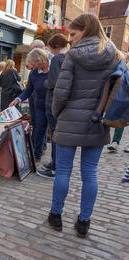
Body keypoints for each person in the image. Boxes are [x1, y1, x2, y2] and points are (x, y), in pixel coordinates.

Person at [47, 13, 123, 238]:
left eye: (73, 33)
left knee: (63, 171)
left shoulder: (73, 55)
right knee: (90, 173)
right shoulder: (115, 55)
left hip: (70, 118)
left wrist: (57, 114)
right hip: (97, 121)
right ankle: (84, 222)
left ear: (86, 30)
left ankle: (56, 216)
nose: (70, 39)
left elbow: (61, 92)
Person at [38, 33, 70, 179]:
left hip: (53, 102)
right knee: (58, 137)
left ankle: (55, 168)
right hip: (64, 105)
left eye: (51, 49)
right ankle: (54, 163)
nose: (50, 52)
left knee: (56, 137)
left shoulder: (58, 58)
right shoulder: (70, 58)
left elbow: (54, 82)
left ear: (57, 47)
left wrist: (45, 83)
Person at [9, 48, 49, 162]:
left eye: (33, 64)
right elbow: (28, 90)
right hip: (40, 105)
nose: (31, 67)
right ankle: (36, 155)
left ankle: (55, 162)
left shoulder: (54, 69)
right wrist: (18, 99)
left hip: (53, 106)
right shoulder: (34, 73)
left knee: (55, 133)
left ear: (40, 60)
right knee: (39, 129)